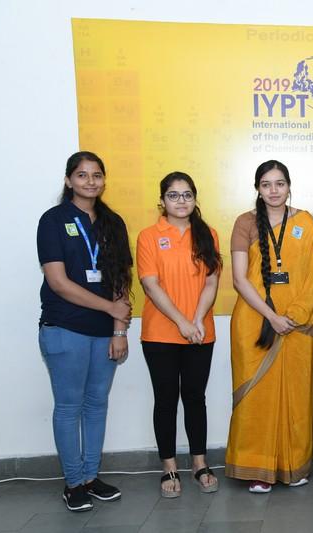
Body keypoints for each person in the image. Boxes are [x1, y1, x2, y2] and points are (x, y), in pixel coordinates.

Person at [225, 160, 313, 493]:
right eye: (266, 184)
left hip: (298, 325)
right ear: (257, 189)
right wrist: (273, 317)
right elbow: (240, 279)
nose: (273, 190)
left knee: (297, 396)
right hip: (254, 323)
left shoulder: (305, 222)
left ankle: (294, 464)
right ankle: (258, 469)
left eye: (280, 184)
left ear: (289, 187)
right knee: (256, 399)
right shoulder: (245, 222)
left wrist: (294, 315)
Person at [37, 151, 133, 512]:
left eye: (96, 175)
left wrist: (119, 330)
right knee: (69, 407)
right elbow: (58, 282)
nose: (90, 181)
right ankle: (73, 482)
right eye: (82, 175)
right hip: (65, 328)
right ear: (68, 181)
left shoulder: (113, 222)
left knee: (96, 405)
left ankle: (91, 477)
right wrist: (111, 309)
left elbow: (121, 278)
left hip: (104, 333)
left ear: (103, 180)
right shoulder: (53, 220)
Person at [136, 172, 222, 498]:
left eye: (187, 194)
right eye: (173, 195)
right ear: (162, 201)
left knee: (195, 398)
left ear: (195, 199)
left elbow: (211, 282)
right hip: (160, 333)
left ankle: (199, 462)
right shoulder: (148, 236)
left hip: (200, 332)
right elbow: (150, 283)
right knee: (166, 400)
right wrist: (181, 322)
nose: (181, 201)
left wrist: (196, 319)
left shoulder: (208, 234)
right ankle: (169, 466)